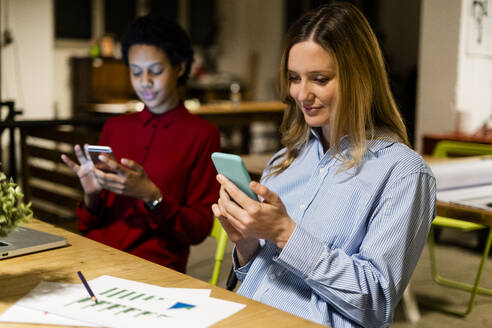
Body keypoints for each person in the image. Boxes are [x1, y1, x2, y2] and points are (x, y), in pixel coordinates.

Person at [212, 3, 435, 328]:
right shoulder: (285, 160)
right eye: (294, 78)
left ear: (360, 79)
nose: (302, 94)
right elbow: (261, 277)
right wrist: (246, 244)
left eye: (319, 79)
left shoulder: (402, 173)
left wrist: (285, 234)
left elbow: (376, 304)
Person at [62, 15, 220, 273]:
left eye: (156, 71)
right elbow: (87, 225)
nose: (145, 81)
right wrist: (91, 195)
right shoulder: (115, 127)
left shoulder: (202, 135)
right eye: (136, 72)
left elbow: (198, 230)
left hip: (155, 269)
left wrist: (151, 195)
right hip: (94, 259)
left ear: (179, 68)